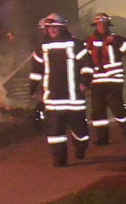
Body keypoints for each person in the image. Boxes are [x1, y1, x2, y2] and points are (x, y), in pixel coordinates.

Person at [30, 13, 93, 166]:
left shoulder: (75, 44)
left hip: (73, 97)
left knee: (80, 131)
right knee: (55, 133)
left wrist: (85, 81)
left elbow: (87, 65)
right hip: (53, 97)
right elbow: (36, 69)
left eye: (55, 27)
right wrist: (33, 87)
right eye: (49, 27)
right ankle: (59, 160)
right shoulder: (42, 47)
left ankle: (81, 146)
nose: (51, 30)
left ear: (61, 28)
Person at [84, 12, 126, 145]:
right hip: (97, 80)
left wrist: (116, 42)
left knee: (117, 106)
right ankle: (102, 138)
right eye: (99, 24)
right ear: (95, 26)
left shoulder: (117, 39)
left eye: (104, 24)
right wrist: (85, 79)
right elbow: (84, 61)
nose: (102, 27)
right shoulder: (89, 41)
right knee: (98, 110)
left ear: (108, 25)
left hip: (114, 79)